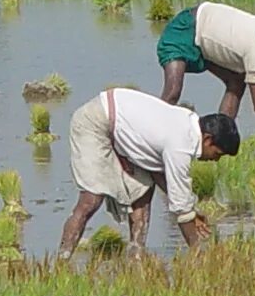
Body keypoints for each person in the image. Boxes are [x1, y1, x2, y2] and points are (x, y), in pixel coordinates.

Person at [58, 88, 240, 258]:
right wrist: (197, 251)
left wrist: (193, 211)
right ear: (208, 140)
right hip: (95, 122)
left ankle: (136, 256)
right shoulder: (181, 145)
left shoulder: (188, 123)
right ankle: (62, 261)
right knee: (91, 200)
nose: (215, 160)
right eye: (217, 154)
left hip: (119, 124)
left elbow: (161, 176)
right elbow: (180, 209)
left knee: (143, 192)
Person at [157, 1, 255, 136]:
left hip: (205, 36)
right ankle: (151, 132)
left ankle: (221, 136)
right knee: (172, 92)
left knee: (237, 81)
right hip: (185, 29)